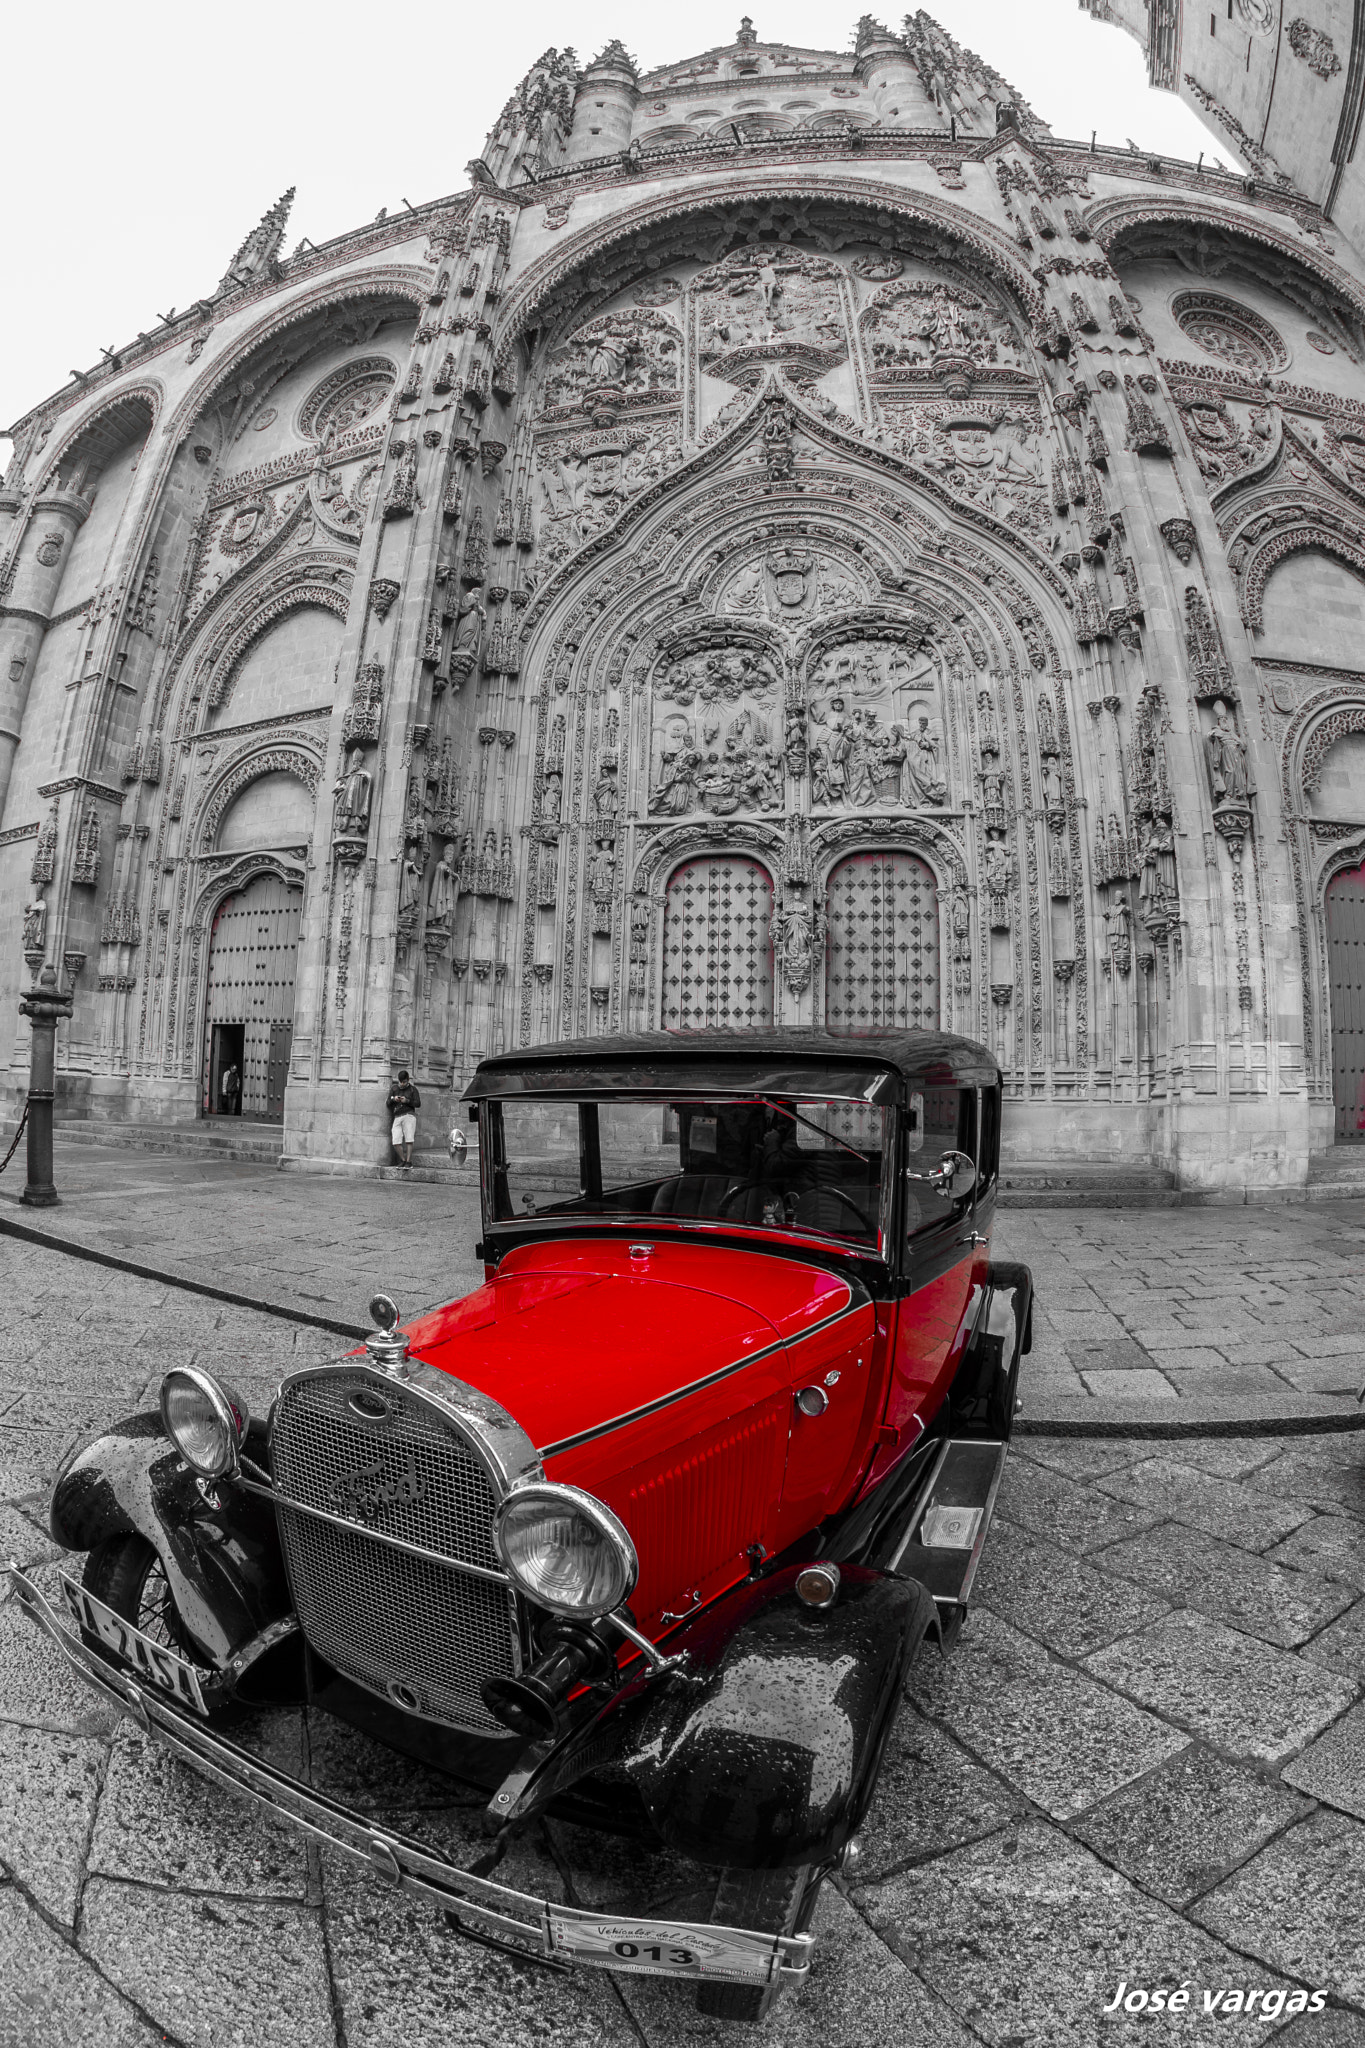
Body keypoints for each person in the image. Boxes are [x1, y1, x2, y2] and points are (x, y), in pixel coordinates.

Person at [387, 1069, 421, 1169]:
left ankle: (408, 1161)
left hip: (409, 1115)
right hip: (397, 1116)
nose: (402, 1084)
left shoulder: (413, 1089)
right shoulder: (394, 1089)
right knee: (396, 1140)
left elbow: (418, 1103)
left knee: (409, 1139)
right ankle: (402, 1159)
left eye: (404, 1082)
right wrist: (394, 1099)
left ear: (408, 1080)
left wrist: (407, 1101)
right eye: (400, 1081)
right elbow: (388, 1102)